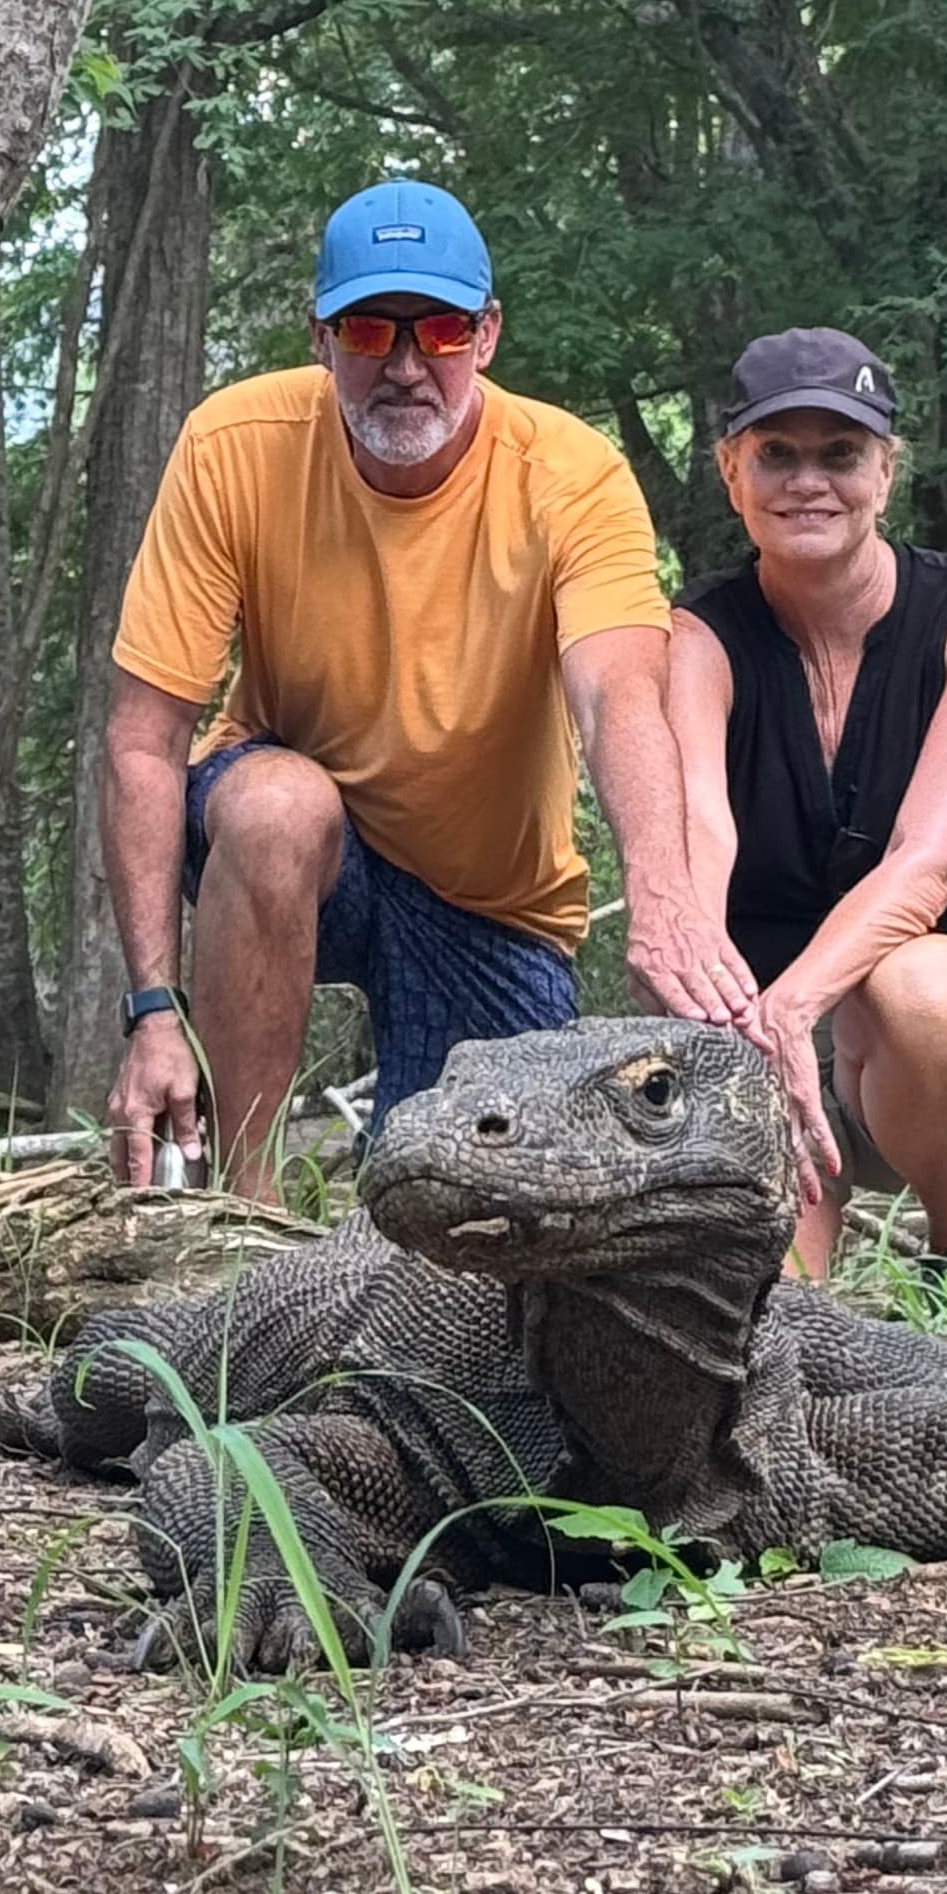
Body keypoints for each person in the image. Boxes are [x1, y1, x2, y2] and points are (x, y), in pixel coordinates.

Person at [102, 178, 751, 1200]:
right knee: (277, 808)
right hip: (305, 850)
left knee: (478, 1245)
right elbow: (145, 741)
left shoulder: (570, 475)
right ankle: (240, 1212)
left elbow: (619, 693)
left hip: (488, 901)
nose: (405, 366)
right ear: (320, 338)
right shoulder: (233, 446)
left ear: (486, 335)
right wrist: (150, 1009)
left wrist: (663, 900)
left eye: (439, 329)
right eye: (370, 327)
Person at [666, 328, 947, 1347]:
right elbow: (696, 836)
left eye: (839, 454)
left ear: (885, 472)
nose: (810, 481)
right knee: (770, 1337)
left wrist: (794, 1005)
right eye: (777, 455)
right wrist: (747, 1029)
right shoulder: (694, 636)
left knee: (916, 985)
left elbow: (928, 864)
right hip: (760, 1049)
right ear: (730, 473)